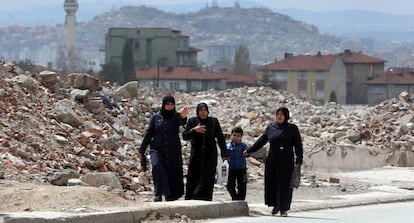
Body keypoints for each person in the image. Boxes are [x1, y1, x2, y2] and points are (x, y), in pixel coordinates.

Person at [244, 107, 303, 217]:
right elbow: (262, 140)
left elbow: (298, 145)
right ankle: (276, 205)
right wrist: (249, 151)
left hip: (286, 161)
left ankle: (284, 208)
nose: (279, 116)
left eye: (282, 114)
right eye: (278, 114)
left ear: (286, 116)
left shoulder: (292, 128)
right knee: (273, 183)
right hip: (272, 160)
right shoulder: (271, 127)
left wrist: (299, 159)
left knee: (285, 185)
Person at [138, 95, 189, 202]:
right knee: (156, 167)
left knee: (171, 171)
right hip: (157, 149)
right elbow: (149, 133)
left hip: (172, 150)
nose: (170, 106)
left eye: (171, 104)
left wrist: (184, 117)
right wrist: (142, 149)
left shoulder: (176, 116)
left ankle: (169, 194)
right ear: (163, 105)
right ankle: (158, 193)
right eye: (167, 104)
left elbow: (181, 122)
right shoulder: (156, 117)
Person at [182, 102, 228, 201]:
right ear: (197, 112)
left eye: (205, 110)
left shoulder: (213, 122)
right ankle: (191, 197)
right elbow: (185, 136)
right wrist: (194, 130)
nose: (203, 113)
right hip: (196, 155)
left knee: (208, 177)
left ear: (208, 111)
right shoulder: (192, 121)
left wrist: (224, 153)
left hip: (210, 154)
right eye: (200, 110)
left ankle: (204, 198)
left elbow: (220, 138)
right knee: (194, 176)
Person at [226, 126, 248, 201]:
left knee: (242, 186)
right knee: (230, 186)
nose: (236, 137)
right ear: (231, 135)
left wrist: (246, 153)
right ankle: (235, 198)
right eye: (234, 135)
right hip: (232, 169)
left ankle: (241, 200)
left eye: (238, 136)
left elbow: (247, 153)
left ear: (241, 137)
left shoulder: (243, 146)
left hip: (241, 169)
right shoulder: (228, 147)